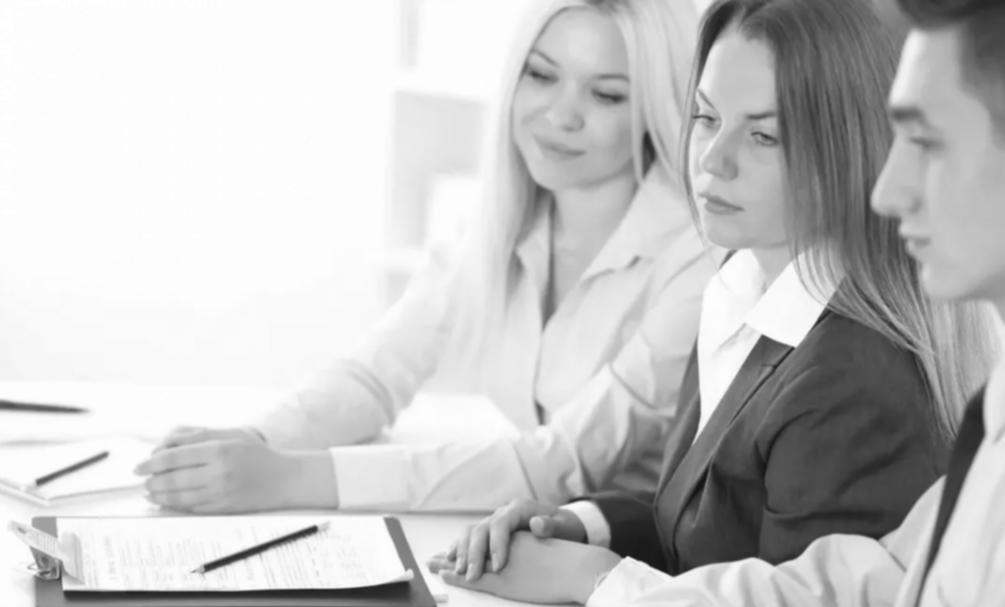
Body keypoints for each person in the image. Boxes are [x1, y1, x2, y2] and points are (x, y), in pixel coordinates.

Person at [283, 0, 1005, 607]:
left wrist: (586, 586)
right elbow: (836, 603)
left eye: (925, 143)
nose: (888, 189)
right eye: (708, 119)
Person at [426, 0, 995, 606]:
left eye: (763, 135)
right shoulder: (741, 285)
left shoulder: (855, 380)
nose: (712, 159)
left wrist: (592, 579)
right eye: (706, 117)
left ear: (849, 153)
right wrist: (580, 524)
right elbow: (706, 526)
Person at [135, 0, 709, 514]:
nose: (560, 115)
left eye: (606, 94)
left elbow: (555, 465)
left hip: (628, 564)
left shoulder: (695, 257)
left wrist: (288, 478)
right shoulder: (499, 224)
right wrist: (252, 444)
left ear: (656, 108)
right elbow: (375, 376)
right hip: (523, 534)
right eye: (540, 75)